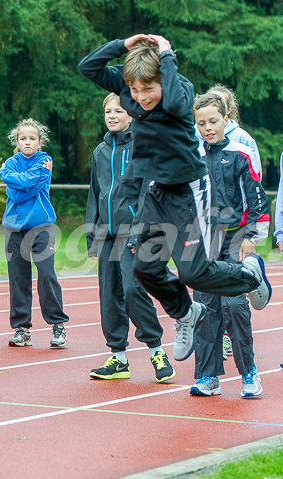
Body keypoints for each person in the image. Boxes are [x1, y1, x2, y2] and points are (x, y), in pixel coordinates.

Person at [78, 34, 271, 363]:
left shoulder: (176, 92)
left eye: (147, 90)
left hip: (188, 190)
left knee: (193, 273)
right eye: (134, 91)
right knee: (144, 269)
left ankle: (249, 275)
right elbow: (88, 66)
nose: (141, 99)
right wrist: (123, 45)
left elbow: (179, 104)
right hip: (156, 191)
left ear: (162, 80)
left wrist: (166, 53)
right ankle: (186, 312)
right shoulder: (132, 92)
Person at [86, 93, 174, 382]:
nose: (112, 116)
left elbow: (146, 193)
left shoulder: (142, 146)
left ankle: (156, 350)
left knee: (133, 290)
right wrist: (92, 234)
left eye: (119, 111)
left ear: (132, 114)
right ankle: (118, 357)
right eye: (108, 111)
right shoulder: (100, 151)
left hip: (135, 233)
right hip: (108, 236)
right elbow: (95, 195)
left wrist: (139, 232)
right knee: (109, 294)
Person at [190, 93, 269, 398]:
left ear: (225, 118)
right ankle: (208, 376)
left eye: (213, 121)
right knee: (206, 308)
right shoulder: (193, 158)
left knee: (235, 305)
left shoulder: (241, 153)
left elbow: (258, 201)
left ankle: (249, 372)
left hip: (236, 239)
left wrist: (252, 237)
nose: (207, 127)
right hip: (204, 242)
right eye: (201, 123)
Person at [0, 118, 70, 349]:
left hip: (41, 226)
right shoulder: (10, 162)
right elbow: (10, 181)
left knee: (47, 275)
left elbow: (22, 188)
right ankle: (22, 329)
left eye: (31, 139)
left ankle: (58, 325)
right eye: (22, 139)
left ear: (40, 142)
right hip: (14, 227)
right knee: (18, 277)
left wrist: (17, 183)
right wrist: (23, 183)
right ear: (16, 142)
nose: (27, 142)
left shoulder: (44, 160)